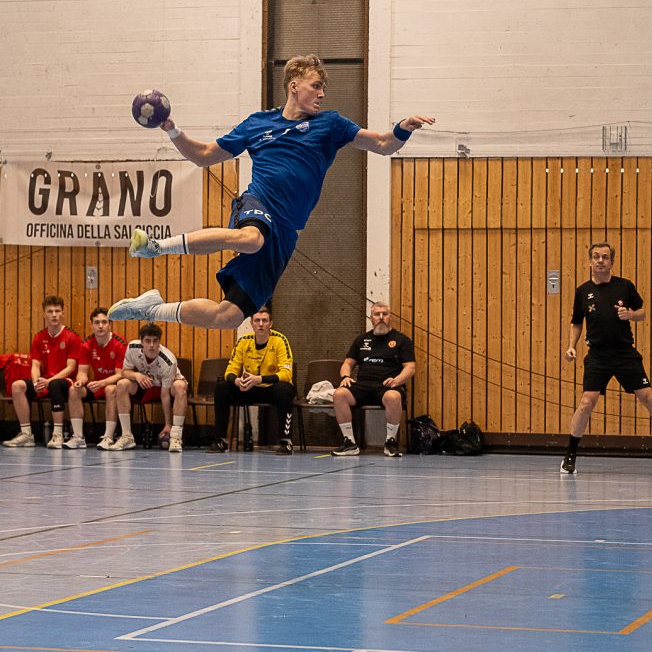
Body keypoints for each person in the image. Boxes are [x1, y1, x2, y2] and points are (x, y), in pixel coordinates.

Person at [108, 54, 435, 330]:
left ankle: (151, 309)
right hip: (259, 203)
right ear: (294, 86)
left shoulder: (330, 125)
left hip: (285, 232)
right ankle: (156, 246)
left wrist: (402, 128)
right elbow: (204, 155)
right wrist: (171, 128)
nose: (322, 94)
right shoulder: (257, 124)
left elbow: (382, 144)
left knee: (228, 317)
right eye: (316, 86)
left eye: (323, 88)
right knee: (251, 239)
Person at [561, 242, 652, 474]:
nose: (600, 261)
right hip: (598, 355)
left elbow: (642, 313)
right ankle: (570, 455)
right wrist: (571, 346)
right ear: (590, 261)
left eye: (605, 257)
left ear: (612, 262)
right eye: (596, 257)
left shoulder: (625, 286)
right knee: (587, 402)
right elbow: (576, 322)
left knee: (649, 398)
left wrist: (631, 315)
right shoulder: (582, 291)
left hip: (625, 354)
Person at [332, 301, 415, 457]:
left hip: (387, 386)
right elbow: (347, 363)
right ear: (371, 318)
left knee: (393, 397)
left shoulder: (402, 340)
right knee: (339, 394)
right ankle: (349, 443)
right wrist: (345, 376)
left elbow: (410, 368)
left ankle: (390, 442)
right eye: (377, 314)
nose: (381, 317)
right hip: (363, 385)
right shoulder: (361, 340)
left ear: (390, 317)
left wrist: (397, 380)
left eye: (385, 314)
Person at [209, 307, 295, 455]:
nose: (261, 324)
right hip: (249, 388)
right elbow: (230, 371)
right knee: (222, 387)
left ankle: (285, 441)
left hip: (271, 389)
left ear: (270, 323)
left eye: (264, 320)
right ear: (251, 323)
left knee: (284, 389)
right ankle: (220, 440)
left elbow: (287, 374)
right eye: (257, 320)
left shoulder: (280, 340)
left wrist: (259, 379)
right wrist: (237, 381)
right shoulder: (243, 341)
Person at [2, 296, 81, 448]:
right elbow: (35, 365)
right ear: (44, 314)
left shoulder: (72, 337)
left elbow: (71, 368)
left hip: (66, 382)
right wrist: (36, 382)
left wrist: (49, 381)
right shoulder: (39, 337)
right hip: (45, 380)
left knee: (55, 385)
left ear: (63, 313)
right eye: (50, 311)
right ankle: (26, 434)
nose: (54, 315)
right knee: (17, 386)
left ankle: (57, 434)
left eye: (57, 311)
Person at [110, 324, 188, 452]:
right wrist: (137, 375)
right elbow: (125, 372)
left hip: (167, 388)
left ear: (159, 342)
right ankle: (127, 436)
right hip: (146, 385)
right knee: (122, 384)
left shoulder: (169, 361)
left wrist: (168, 424)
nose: (151, 345)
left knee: (180, 386)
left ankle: (176, 437)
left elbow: (165, 395)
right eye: (147, 341)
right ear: (141, 341)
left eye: (155, 341)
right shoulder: (132, 347)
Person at [66, 307, 127, 450]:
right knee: (73, 390)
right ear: (91, 324)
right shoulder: (86, 344)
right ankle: (78, 437)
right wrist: (80, 381)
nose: (100, 326)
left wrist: (102, 383)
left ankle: (108, 437)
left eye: (104, 322)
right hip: (98, 385)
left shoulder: (120, 344)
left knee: (110, 389)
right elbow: (82, 372)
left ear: (110, 324)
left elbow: (120, 374)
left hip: (116, 386)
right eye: (97, 322)